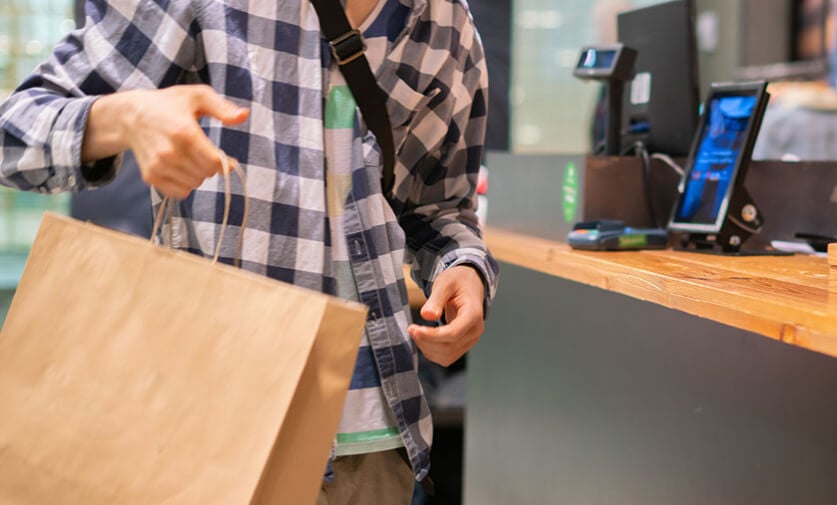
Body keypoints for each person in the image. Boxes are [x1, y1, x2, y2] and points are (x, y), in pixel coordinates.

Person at [0, 0, 498, 504]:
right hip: (202, 427)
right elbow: (13, 133)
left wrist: (464, 269)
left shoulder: (445, 24)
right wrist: (127, 116)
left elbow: (439, 209)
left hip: (376, 439)